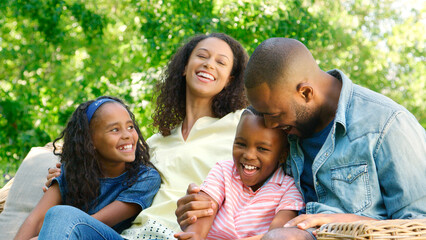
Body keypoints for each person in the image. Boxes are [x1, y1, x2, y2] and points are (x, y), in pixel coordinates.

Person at [175, 37, 426, 239]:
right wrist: (201, 210)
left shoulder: (387, 124)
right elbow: (251, 195)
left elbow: (420, 225)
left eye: (273, 115)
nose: (270, 124)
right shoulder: (288, 129)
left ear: (305, 93)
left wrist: (348, 221)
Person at [42, 33, 249, 239]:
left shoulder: (242, 124)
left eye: (221, 62)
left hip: (182, 235)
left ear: (230, 80)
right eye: (202, 56)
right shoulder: (155, 143)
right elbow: (107, 176)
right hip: (131, 235)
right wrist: (67, 173)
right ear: (185, 67)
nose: (209, 64)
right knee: (62, 216)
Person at [14, 96, 161, 239]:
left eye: (130, 127)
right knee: (58, 215)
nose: (127, 135)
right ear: (90, 141)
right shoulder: (70, 173)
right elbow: (35, 220)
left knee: (61, 214)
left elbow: (91, 223)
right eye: (115, 130)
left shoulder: (145, 177)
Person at [174, 108, 305, 240]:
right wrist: (193, 235)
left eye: (262, 149)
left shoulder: (289, 188)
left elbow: (277, 234)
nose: (248, 155)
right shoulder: (223, 171)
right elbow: (201, 218)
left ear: (283, 155)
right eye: (241, 144)